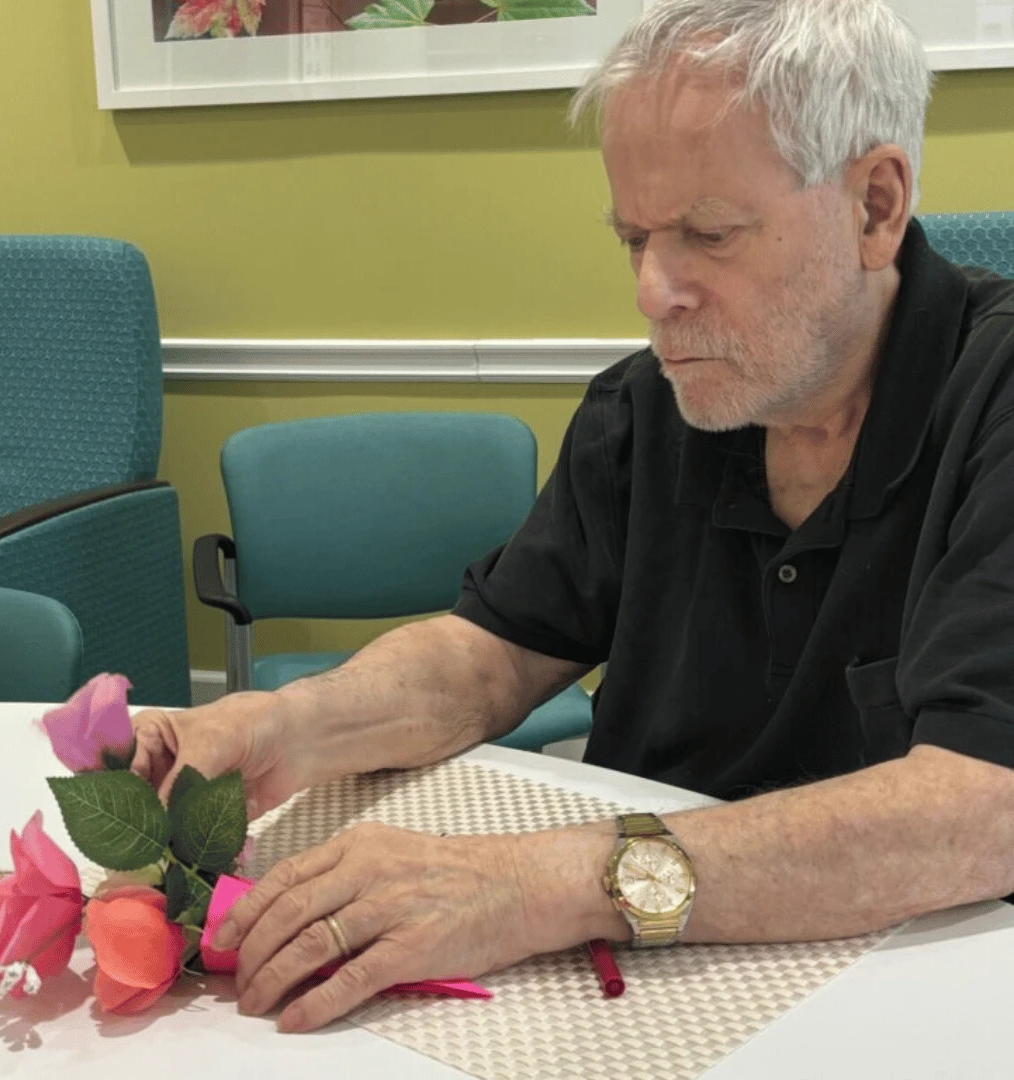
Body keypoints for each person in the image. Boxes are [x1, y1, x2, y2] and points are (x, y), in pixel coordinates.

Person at [133, 0, 1014, 1033]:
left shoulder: (991, 395)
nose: (652, 290)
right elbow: (495, 652)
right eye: (634, 236)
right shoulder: (649, 406)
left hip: (920, 993)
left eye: (708, 234)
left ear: (874, 206)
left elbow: (983, 806)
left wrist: (534, 884)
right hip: (641, 984)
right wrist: (286, 725)